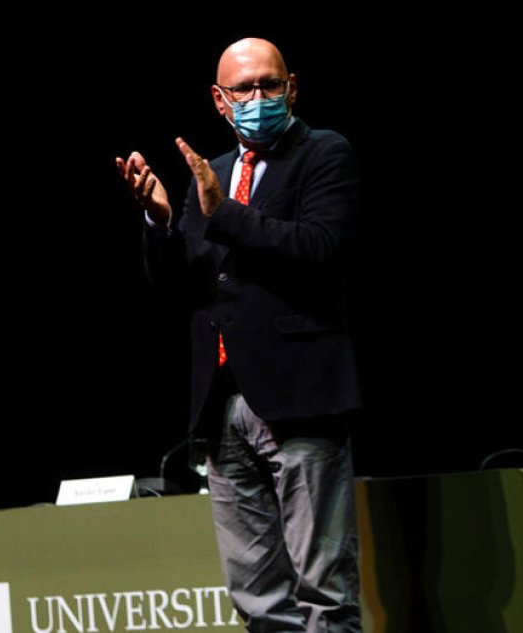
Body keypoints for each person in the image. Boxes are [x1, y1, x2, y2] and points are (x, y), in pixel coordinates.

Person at [116, 38, 362, 632]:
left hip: (298, 399)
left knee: (324, 591)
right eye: (244, 89)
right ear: (220, 101)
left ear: (292, 87)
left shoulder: (324, 154)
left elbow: (320, 249)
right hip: (222, 405)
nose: (258, 98)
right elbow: (182, 289)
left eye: (269, 85)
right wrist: (161, 221)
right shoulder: (215, 173)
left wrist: (222, 212)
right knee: (257, 601)